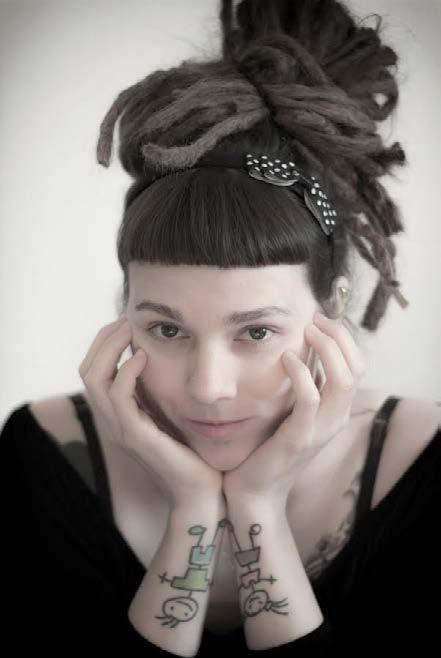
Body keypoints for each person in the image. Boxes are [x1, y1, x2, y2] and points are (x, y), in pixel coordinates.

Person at [2, 0, 440, 655]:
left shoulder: (421, 459)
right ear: (125, 310)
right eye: (166, 330)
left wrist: (258, 504)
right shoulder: (44, 451)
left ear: (332, 308)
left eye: (255, 332)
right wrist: (194, 507)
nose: (209, 388)